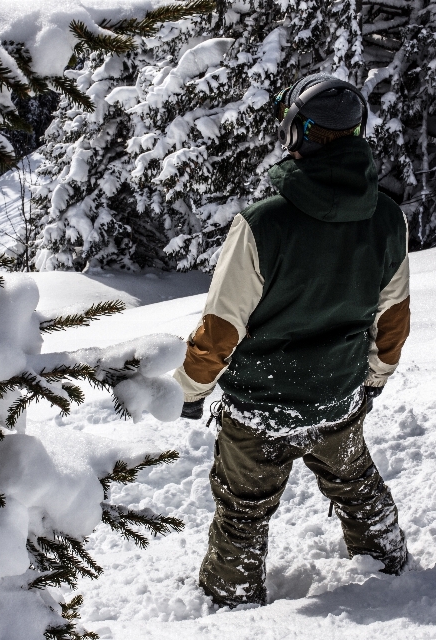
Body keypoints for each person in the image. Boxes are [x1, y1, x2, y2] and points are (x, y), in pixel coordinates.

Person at [172, 72, 410, 608]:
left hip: (260, 406)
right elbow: (392, 320)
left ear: (297, 133)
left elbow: (220, 329)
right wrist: (371, 380)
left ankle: (233, 604)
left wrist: (189, 389)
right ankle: (390, 565)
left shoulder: (263, 224)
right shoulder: (388, 219)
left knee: (243, 510)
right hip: (337, 397)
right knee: (355, 483)